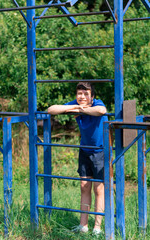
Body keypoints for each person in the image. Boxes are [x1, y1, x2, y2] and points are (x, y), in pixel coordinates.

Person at [48, 82, 108, 235]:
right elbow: (51, 109)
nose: (82, 96)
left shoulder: (97, 103)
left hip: (99, 150)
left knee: (99, 188)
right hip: (84, 150)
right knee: (84, 186)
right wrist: (72, 108)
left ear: (92, 97)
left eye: (86, 94)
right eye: (79, 93)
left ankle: (97, 228)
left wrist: (82, 110)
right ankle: (83, 226)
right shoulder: (75, 104)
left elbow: (102, 110)